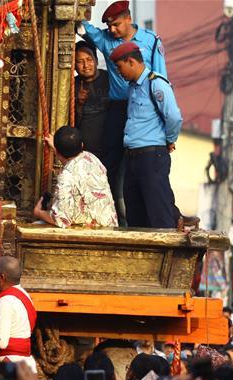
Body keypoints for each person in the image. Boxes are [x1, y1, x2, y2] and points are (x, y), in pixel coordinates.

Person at [80, 0, 167, 220]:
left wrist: (165, 128)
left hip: (145, 111)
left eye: (116, 24)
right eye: (109, 25)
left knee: (145, 168)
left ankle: (160, 218)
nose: (112, 30)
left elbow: (161, 79)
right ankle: (107, 216)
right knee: (109, 165)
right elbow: (83, 27)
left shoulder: (151, 41)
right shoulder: (106, 40)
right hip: (117, 110)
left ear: (128, 19)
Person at [109, 41, 182, 229]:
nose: (119, 72)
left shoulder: (155, 83)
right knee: (135, 212)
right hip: (133, 157)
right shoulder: (133, 87)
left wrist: (169, 140)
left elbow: (173, 117)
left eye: (120, 66)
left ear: (132, 62)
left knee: (159, 212)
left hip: (152, 156)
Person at [33, 126, 118, 228]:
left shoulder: (66, 177)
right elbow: (74, 165)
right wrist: (57, 150)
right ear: (82, 145)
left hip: (90, 235)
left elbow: (62, 220)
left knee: (37, 225)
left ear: (58, 153)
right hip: (109, 226)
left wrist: (38, 212)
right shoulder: (92, 159)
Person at [0, 256, 37, 372]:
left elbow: (1, 342)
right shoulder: (24, 294)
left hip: (9, 365)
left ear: (2, 277)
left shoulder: (5, 301)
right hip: (26, 363)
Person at [73, 41, 110, 157]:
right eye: (80, 61)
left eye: (89, 59)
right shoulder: (71, 85)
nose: (85, 65)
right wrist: (78, 103)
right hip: (85, 153)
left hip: (111, 149)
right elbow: (71, 122)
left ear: (96, 60)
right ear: (74, 65)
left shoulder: (109, 79)